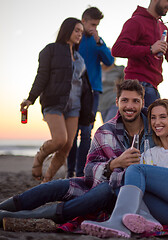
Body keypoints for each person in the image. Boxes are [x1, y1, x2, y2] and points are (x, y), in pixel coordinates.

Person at [0, 80, 154, 226]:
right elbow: (89, 170)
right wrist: (113, 165)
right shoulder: (105, 131)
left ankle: (20, 217)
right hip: (98, 183)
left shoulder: (155, 128)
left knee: (106, 190)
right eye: (125, 100)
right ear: (116, 102)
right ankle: (5, 206)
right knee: (56, 186)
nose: (130, 106)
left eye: (135, 101)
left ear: (143, 102)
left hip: (127, 194)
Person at [81, 99, 168, 238]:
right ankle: (148, 219)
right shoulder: (150, 153)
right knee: (121, 183)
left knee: (136, 170)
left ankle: (117, 222)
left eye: (163, 117)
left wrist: (158, 177)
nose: (156, 122)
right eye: (153, 118)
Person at [19, 18, 95, 183]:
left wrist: (88, 112)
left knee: (67, 147)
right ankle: (39, 158)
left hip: (75, 106)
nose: (79, 35)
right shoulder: (51, 50)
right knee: (60, 140)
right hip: (54, 102)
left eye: (81, 32)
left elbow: (84, 87)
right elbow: (42, 76)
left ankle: (46, 182)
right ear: (66, 30)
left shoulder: (79, 58)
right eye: (76, 30)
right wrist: (31, 98)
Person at [111, 0, 168, 107]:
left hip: (153, 87)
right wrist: (150, 49)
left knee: (154, 123)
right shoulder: (136, 22)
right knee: (147, 123)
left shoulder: (163, 27)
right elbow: (117, 49)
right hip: (136, 85)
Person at [67, 7, 114, 178]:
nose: (95, 27)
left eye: (97, 25)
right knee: (71, 133)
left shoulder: (97, 40)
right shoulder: (75, 38)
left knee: (86, 132)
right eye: (92, 24)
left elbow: (109, 60)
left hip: (93, 91)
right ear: (84, 21)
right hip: (74, 90)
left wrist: (99, 41)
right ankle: (69, 170)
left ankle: (80, 173)